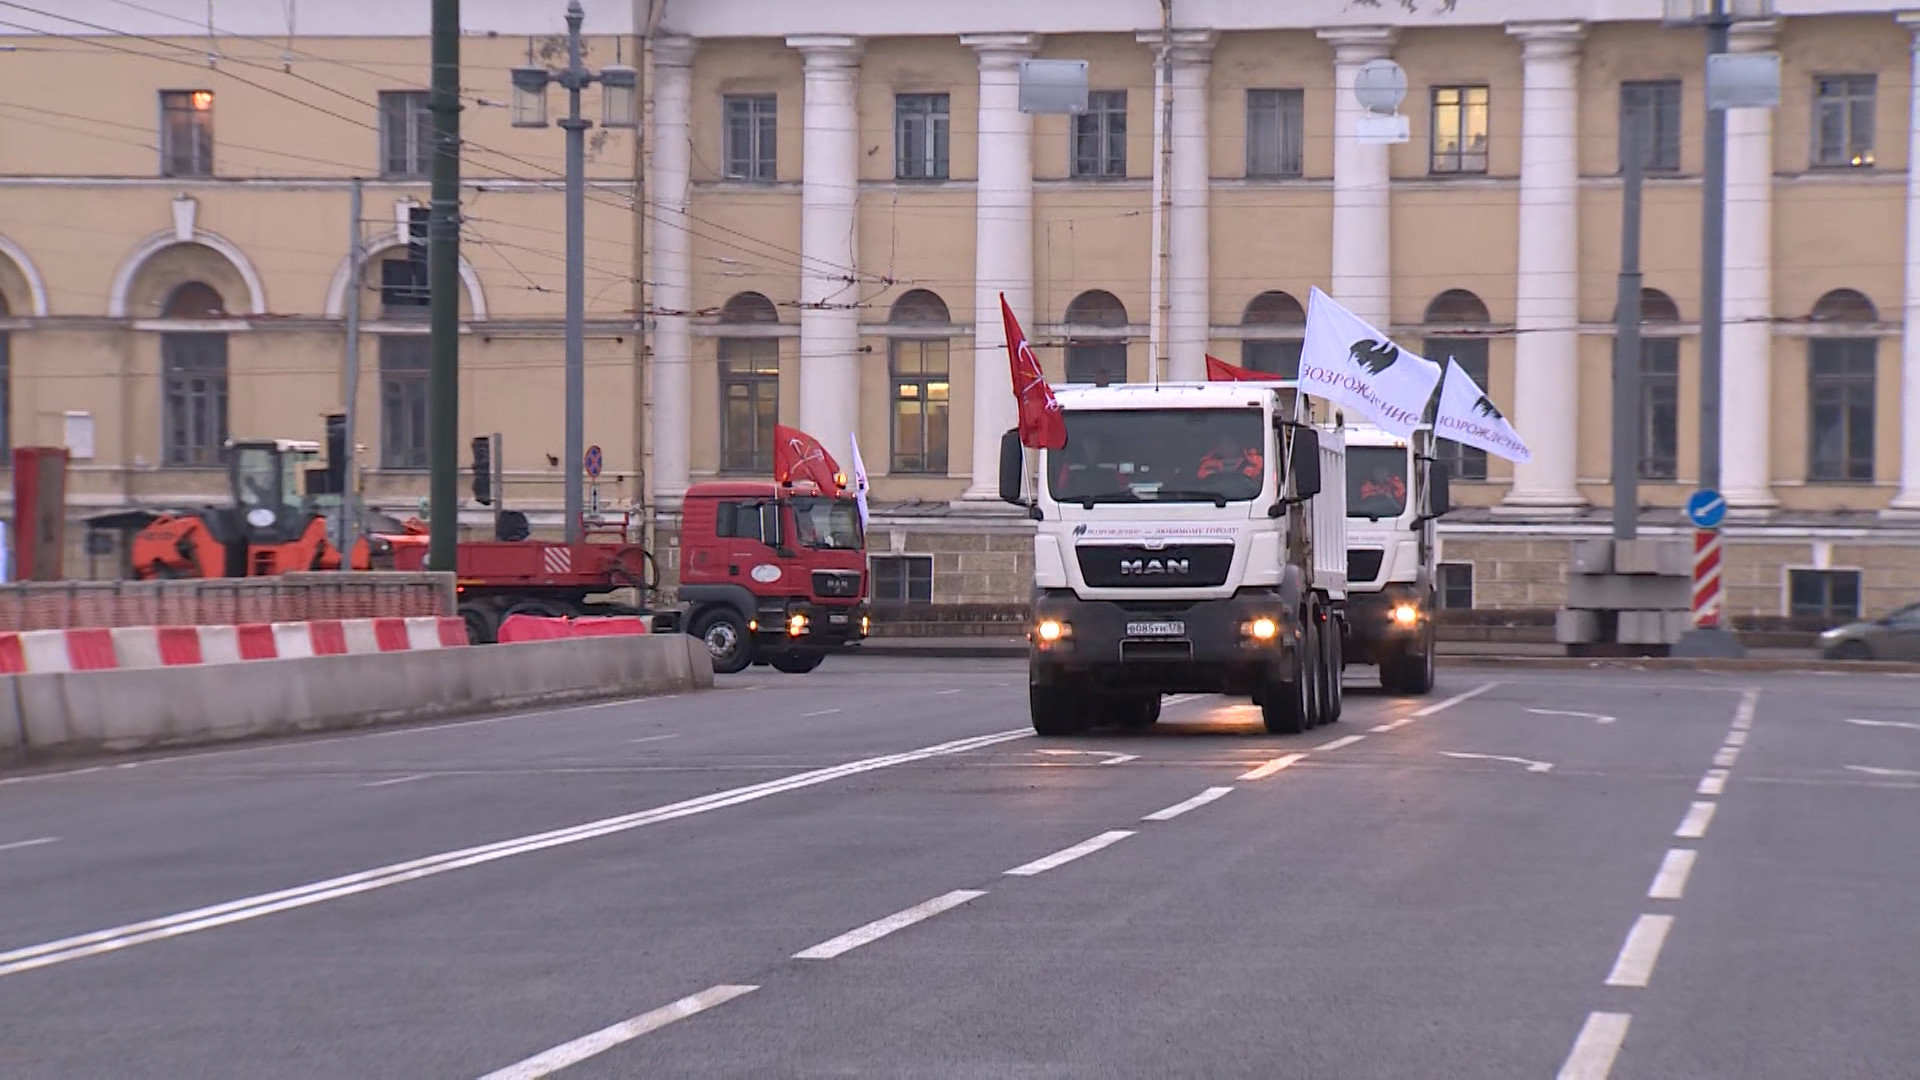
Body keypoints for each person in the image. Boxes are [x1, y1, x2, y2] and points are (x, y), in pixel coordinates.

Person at [1197, 433, 1262, 483]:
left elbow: (1258, 484)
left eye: (1230, 443)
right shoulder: (1207, 465)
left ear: (1239, 444)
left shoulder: (1254, 462)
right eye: (1223, 443)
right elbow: (1204, 486)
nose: (1226, 446)